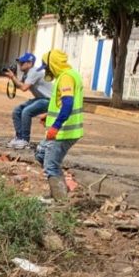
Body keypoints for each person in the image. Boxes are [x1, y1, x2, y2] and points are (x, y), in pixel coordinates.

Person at [34, 49, 84, 203]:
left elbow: (68, 104)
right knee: (41, 153)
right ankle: (57, 190)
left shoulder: (66, 78)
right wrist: (48, 116)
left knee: (51, 165)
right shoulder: (67, 75)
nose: (46, 71)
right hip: (63, 130)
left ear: (53, 65)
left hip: (63, 132)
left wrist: (55, 126)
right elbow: (63, 104)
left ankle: (61, 201)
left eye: (47, 67)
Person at [4, 52, 53, 149]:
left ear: (30, 63)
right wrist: (12, 78)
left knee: (26, 111)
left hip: (48, 100)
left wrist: (13, 77)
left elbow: (24, 88)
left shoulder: (33, 72)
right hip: (40, 99)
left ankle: (25, 140)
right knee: (17, 110)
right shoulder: (27, 73)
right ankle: (19, 137)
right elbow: (20, 85)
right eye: (19, 63)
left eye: (22, 63)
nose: (20, 65)